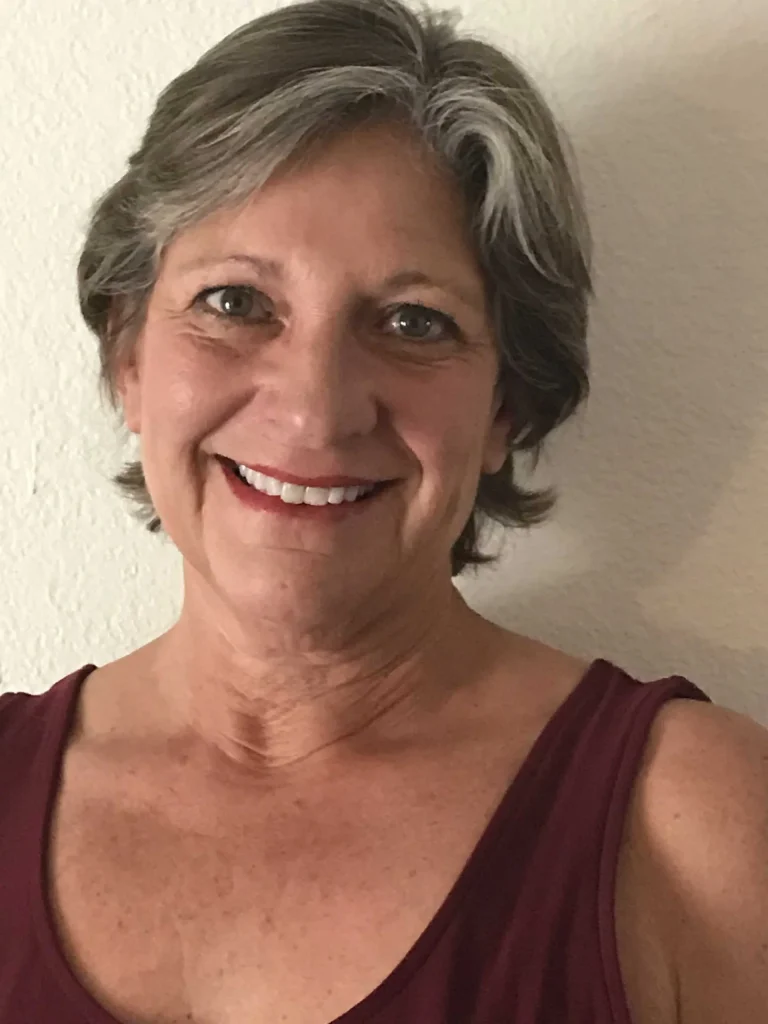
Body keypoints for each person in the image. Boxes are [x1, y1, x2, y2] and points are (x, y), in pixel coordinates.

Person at [1, 0, 766, 1021]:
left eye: (414, 321)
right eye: (236, 303)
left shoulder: (698, 826)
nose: (316, 407)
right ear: (128, 354)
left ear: (506, 406)